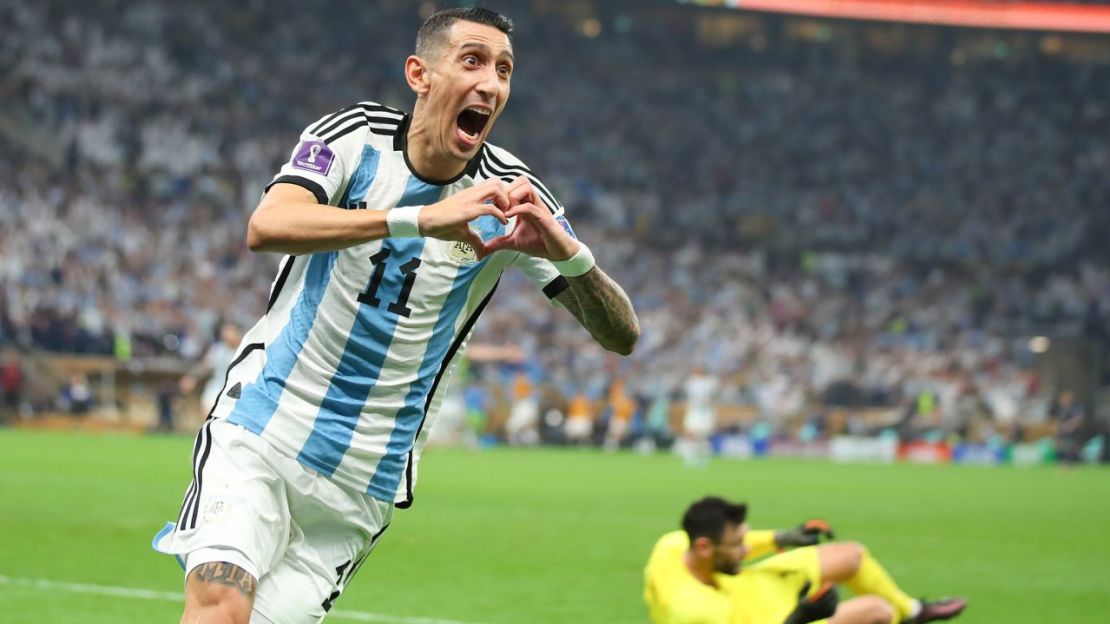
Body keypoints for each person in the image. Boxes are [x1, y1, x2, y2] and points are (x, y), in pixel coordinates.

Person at [152, 8, 639, 624]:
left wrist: (569, 255)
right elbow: (267, 226)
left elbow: (621, 335)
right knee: (220, 610)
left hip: (363, 480)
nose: (491, 83)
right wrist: (417, 219)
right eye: (473, 60)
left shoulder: (513, 193)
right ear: (420, 74)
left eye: (505, 70)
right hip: (263, 428)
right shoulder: (352, 137)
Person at [644, 497, 967, 624]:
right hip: (764, 619)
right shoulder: (695, 611)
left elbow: (743, 546)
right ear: (704, 548)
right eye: (737, 544)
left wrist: (782, 538)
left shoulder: (672, 547)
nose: (746, 549)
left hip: (739, 585)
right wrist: (800, 618)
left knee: (850, 555)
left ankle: (913, 612)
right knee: (877, 612)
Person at [180, 322, 245, 418]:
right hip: (217, 386)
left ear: (238, 333)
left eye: (230, 331)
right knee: (207, 415)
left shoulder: (245, 350)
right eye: (225, 331)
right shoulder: (218, 349)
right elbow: (205, 366)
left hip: (238, 389)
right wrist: (191, 378)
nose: (226, 334)